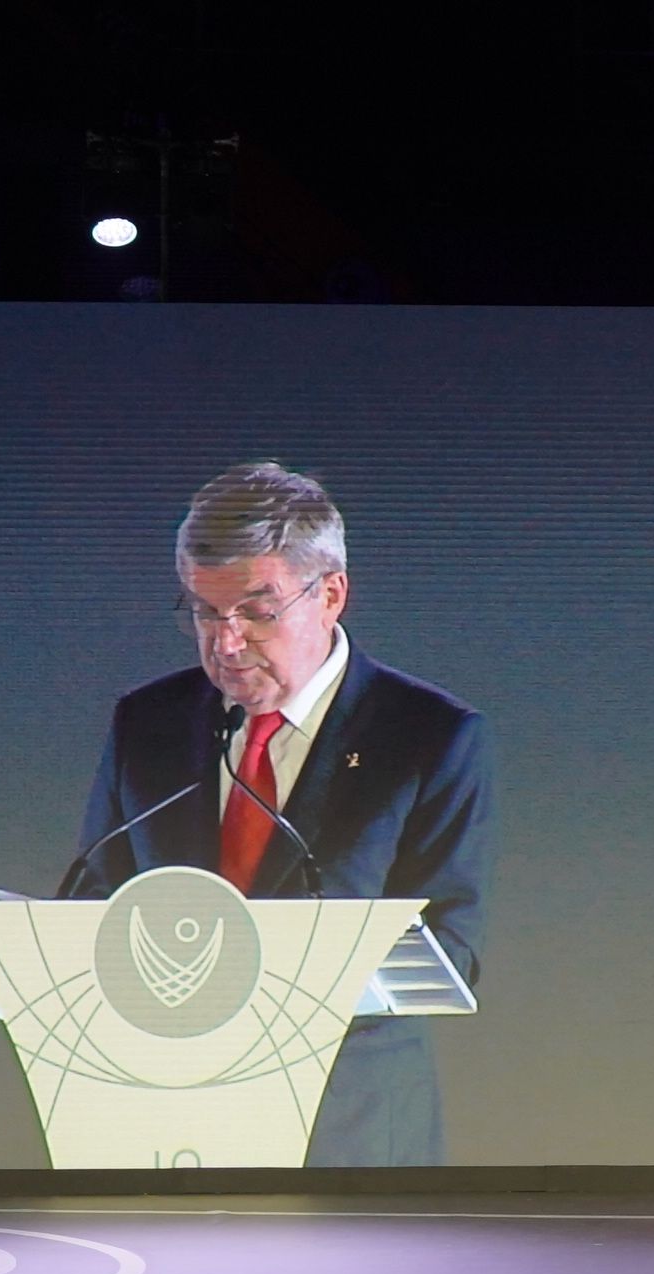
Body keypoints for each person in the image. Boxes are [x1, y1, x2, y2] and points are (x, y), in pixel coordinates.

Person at [73, 461, 496, 1168]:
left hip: (348, 1133)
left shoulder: (428, 735)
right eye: (204, 611)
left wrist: (278, 973)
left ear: (331, 594)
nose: (226, 643)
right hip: (163, 1117)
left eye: (257, 612)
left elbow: (453, 950)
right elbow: (95, 902)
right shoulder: (148, 722)